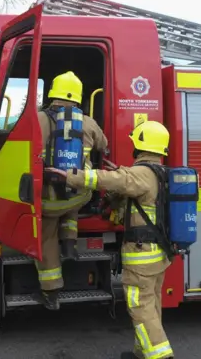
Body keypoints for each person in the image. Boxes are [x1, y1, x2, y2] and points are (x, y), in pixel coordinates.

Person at [45, 120, 175, 359]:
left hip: (141, 258)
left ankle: (161, 356)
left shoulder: (141, 175)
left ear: (140, 146)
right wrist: (121, 173)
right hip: (158, 257)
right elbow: (127, 185)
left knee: (140, 308)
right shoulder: (162, 173)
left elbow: (110, 180)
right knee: (152, 306)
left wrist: (71, 177)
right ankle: (141, 352)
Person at [37, 71, 108, 310]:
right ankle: (69, 243)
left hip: (46, 200)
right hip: (78, 196)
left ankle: (52, 290)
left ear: (52, 93)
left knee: (46, 235)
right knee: (74, 193)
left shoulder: (37, 119)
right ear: (77, 97)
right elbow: (104, 144)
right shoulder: (86, 122)